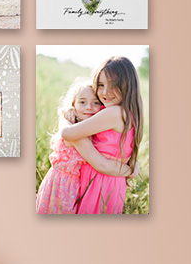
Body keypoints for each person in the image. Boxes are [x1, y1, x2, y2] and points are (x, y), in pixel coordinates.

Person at [36, 80, 139, 214]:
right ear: (73, 105)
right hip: (63, 188)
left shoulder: (89, 129)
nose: (89, 107)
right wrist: (130, 171)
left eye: (96, 103)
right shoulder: (76, 135)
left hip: (75, 187)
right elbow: (101, 164)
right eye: (82, 102)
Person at [60, 57, 145, 214]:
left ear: (128, 85)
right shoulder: (127, 113)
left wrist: (64, 117)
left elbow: (67, 134)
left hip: (98, 181)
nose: (105, 92)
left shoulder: (113, 112)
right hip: (111, 182)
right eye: (100, 85)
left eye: (114, 85)